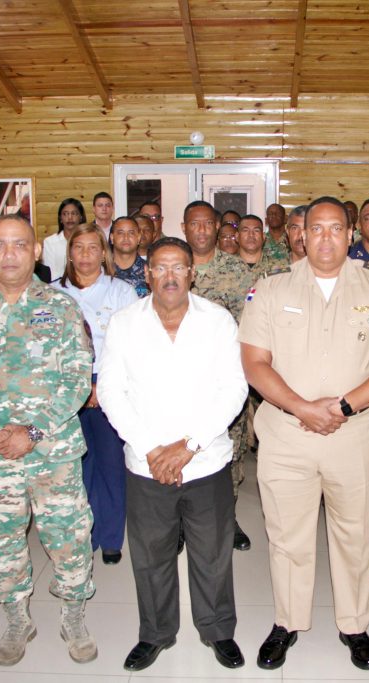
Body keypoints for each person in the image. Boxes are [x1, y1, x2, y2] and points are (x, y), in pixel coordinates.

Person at [239, 196, 369, 671]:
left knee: (357, 535)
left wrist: (343, 406)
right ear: (300, 234)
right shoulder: (270, 289)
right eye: (315, 228)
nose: (325, 238)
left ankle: (354, 625)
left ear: (350, 234)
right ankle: (287, 621)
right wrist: (302, 407)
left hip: (356, 435)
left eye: (336, 228)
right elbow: (254, 363)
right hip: (287, 434)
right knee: (286, 535)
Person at [0, 214, 97, 666]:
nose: (10, 254)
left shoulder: (62, 307)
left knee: (68, 536)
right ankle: (16, 619)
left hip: (52, 452)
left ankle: (73, 616)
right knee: (0, 540)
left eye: (20, 244)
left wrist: (33, 431)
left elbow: (77, 378)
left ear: (36, 251)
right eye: (0, 245)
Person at [99, 236, 249, 672]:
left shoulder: (218, 321)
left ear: (191, 273)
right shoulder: (125, 323)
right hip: (145, 463)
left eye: (178, 267)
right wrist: (151, 448)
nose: (169, 276)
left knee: (212, 553)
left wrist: (189, 446)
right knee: (151, 555)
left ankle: (217, 630)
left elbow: (233, 388)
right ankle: (156, 633)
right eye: (160, 268)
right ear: (147, 274)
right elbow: (110, 390)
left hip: (206, 460)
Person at [53, 223, 138, 565]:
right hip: (64, 388)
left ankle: (111, 537)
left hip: (110, 386)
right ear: (69, 253)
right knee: (75, 468)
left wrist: (101, 387)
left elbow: (132, 346)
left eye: (92, 247)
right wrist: (79, 385)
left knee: (111, 465)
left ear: (103, 253)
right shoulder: (52, 293)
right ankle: (83, 535)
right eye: (79, 248)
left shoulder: (121, 292)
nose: (85, 254)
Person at [183, 200, 253, 550]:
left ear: (217, 227)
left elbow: (249, 326)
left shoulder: (238, 270)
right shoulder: (173, 265)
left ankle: (228, 518)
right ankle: (181, 522)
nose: (201, 230)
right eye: (194, 224)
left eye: (207, 224)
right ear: (184, 228)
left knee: (230, 453)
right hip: (180, 382)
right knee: (180, 445)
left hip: (224, 382)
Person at [43, 198, 86, 278]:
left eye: (74, 213)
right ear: (60, 218)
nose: (70, 217)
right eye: (65, 214)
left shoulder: (87, 241)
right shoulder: (50, 242)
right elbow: (50, 272)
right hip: (58, 284)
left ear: (81, 217)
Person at [111, 216, 148, 297]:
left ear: (138, 238)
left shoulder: (149, 271)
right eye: (120, 233)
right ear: (112, 238)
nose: (126, 237)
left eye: (131, 233)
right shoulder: (101, 270)